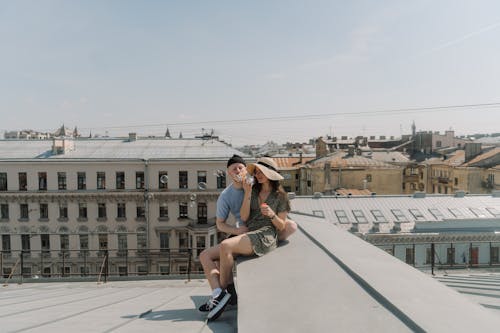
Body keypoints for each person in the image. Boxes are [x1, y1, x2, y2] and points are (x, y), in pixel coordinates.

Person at [198, 155, 297, 316]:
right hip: (246, 231)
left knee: (225, 246)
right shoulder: (250, 190)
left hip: (264, 234)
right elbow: (242, 218)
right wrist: (248, 193)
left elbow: (281, 225)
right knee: (206, 255)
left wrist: (272, 215)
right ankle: (220, 294)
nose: (257, 175)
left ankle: (221, 294)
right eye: (256, 172)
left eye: (260, 172)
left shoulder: (280, 196)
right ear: (229, 173)